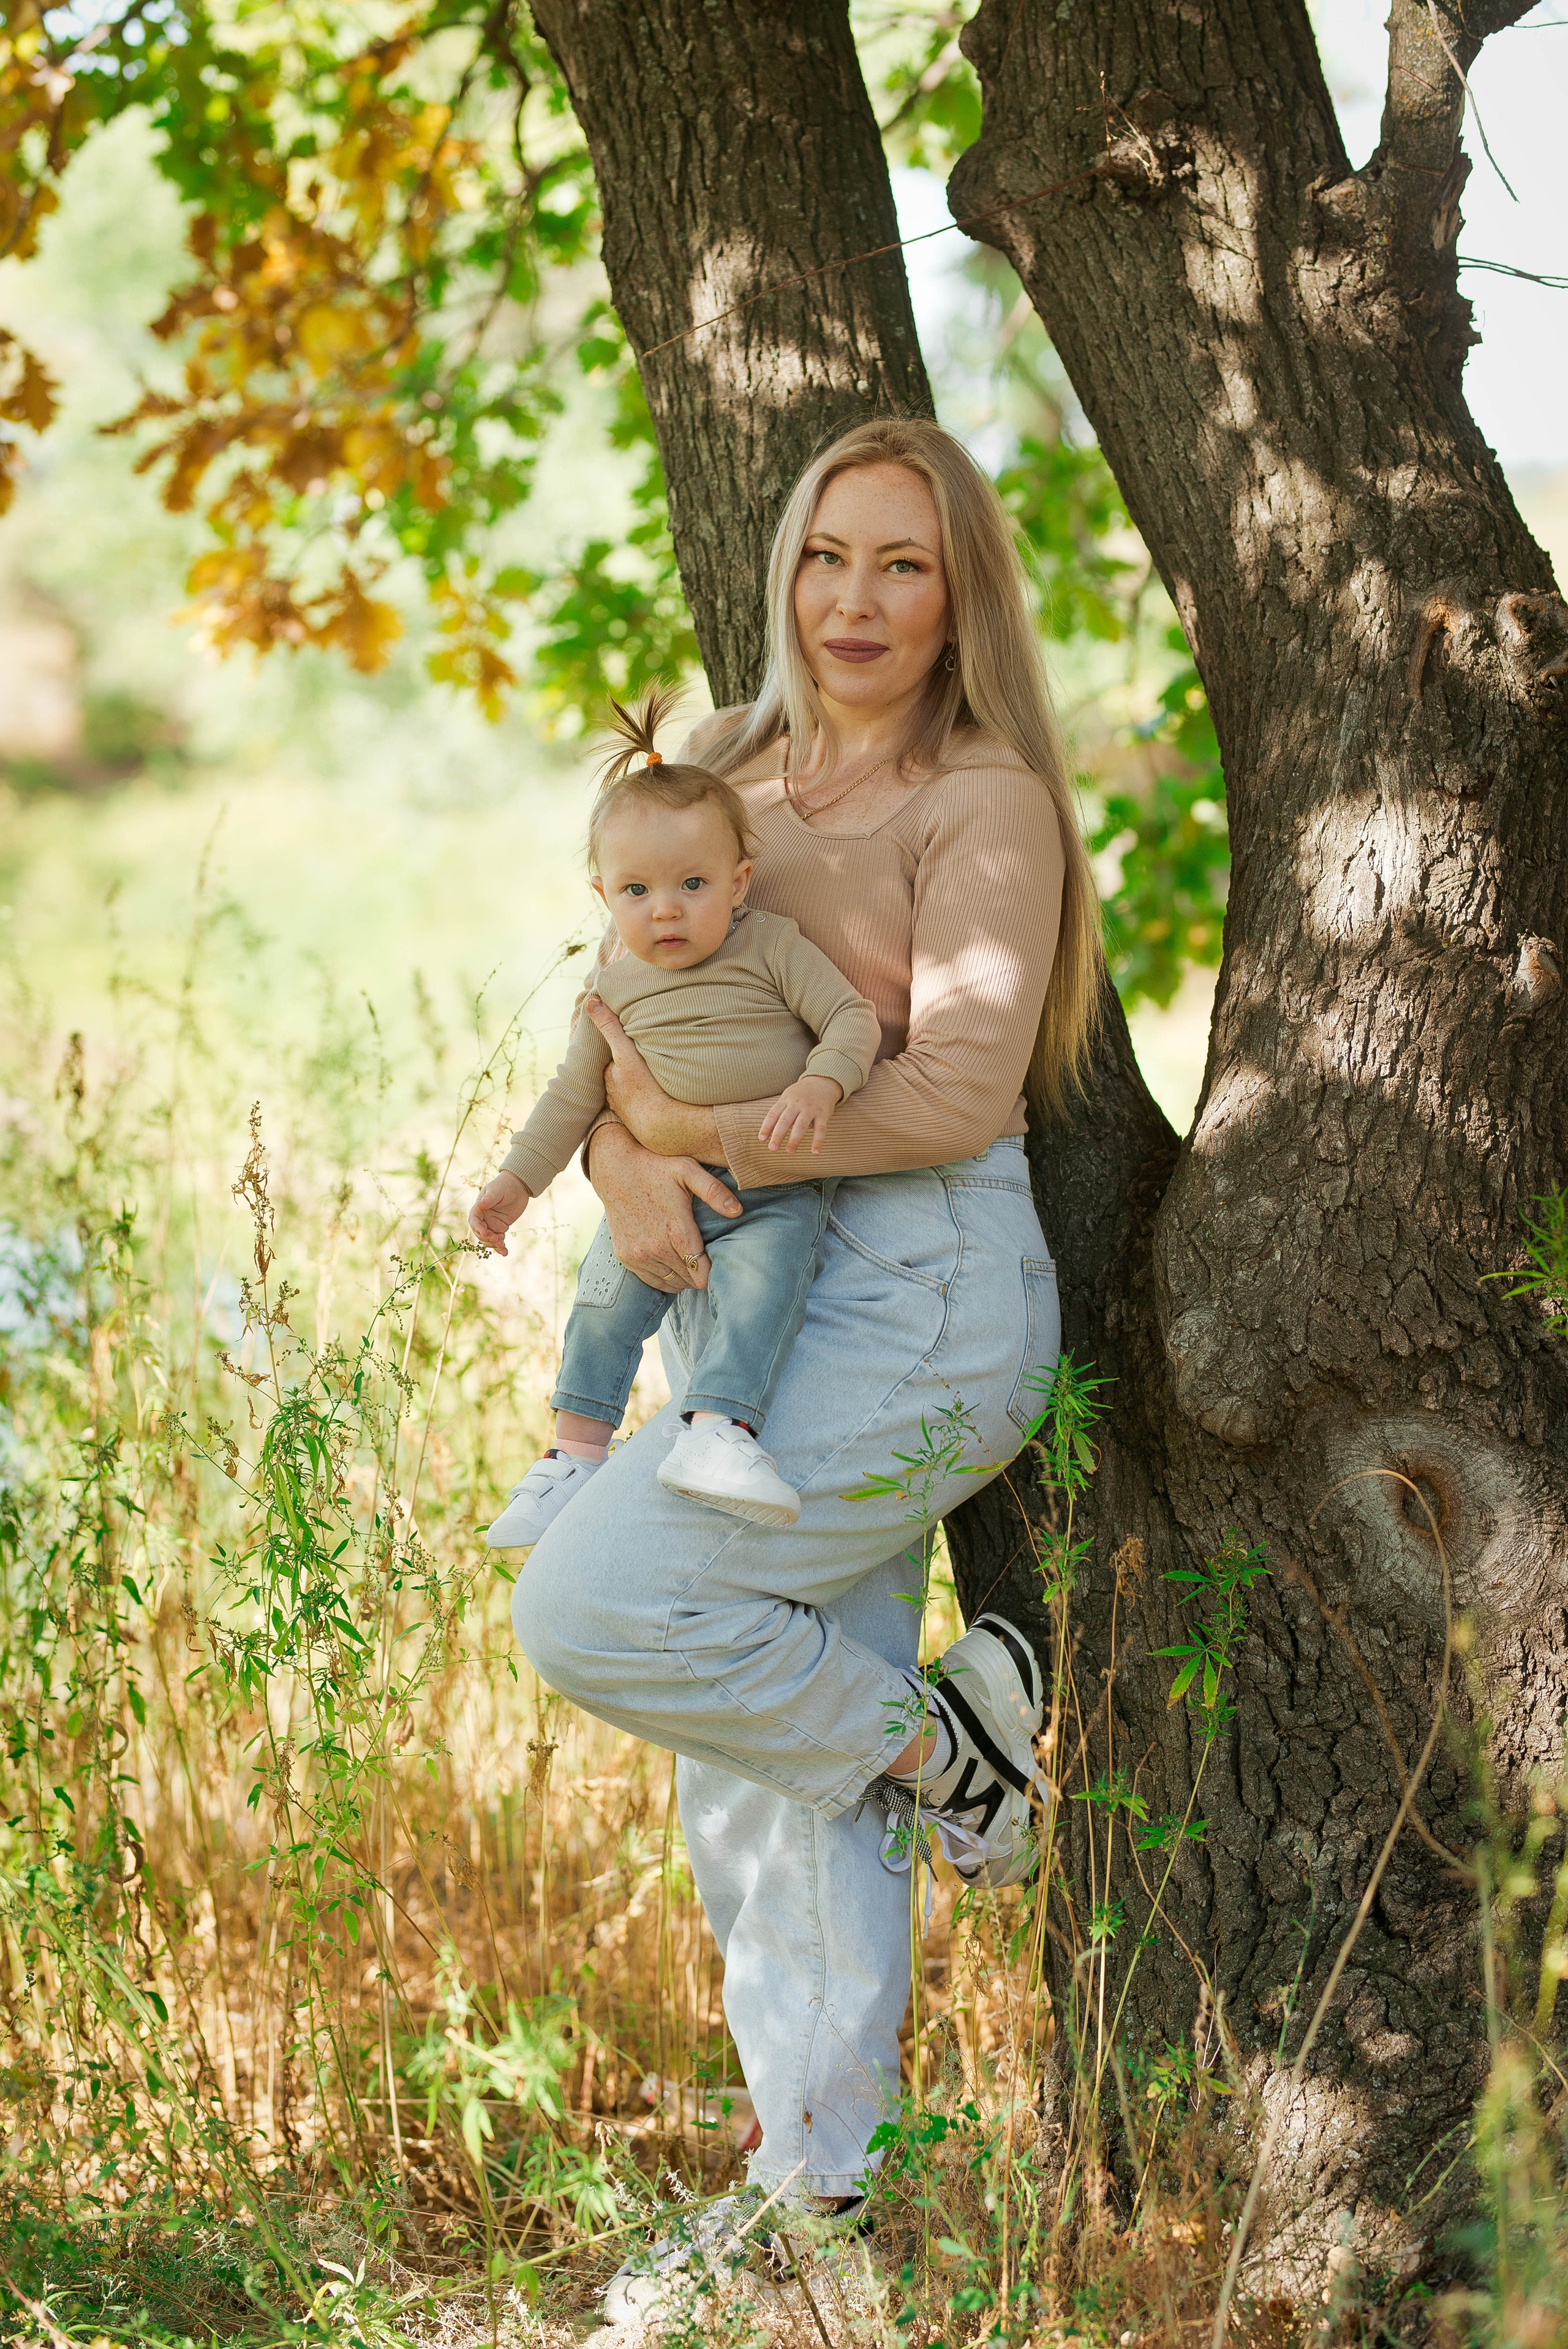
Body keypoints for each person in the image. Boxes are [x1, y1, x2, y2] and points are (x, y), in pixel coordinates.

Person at [467, 417, 1102, 2287]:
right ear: (787, 569)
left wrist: (689, 1145)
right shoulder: (723, 776)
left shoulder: (981, 802)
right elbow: (617, 1025)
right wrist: (611, 1150)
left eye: (904, 563)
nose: (857, 600)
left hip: (926, 1301)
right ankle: (822, 2205)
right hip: (752, 1288)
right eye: (832, 555)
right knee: (751, 1769)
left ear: (960, 588)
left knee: (596, 1610)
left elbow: (953, 1087)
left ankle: (946, 1746)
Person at [477, 690, 880, 1541]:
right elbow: (570, 1098)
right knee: (602, 1303)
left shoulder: (771, 946)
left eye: (692, 884)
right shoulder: (612, 989)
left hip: (771, 1184)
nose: (666, 908)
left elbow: (852, 1018)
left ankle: (720, 1432)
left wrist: (822, 1084)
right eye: (638, 889)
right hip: (652, 1196)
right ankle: (573, 1456)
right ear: (604, 895)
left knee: (765, 1298)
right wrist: (517, 1183)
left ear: (738, 883)